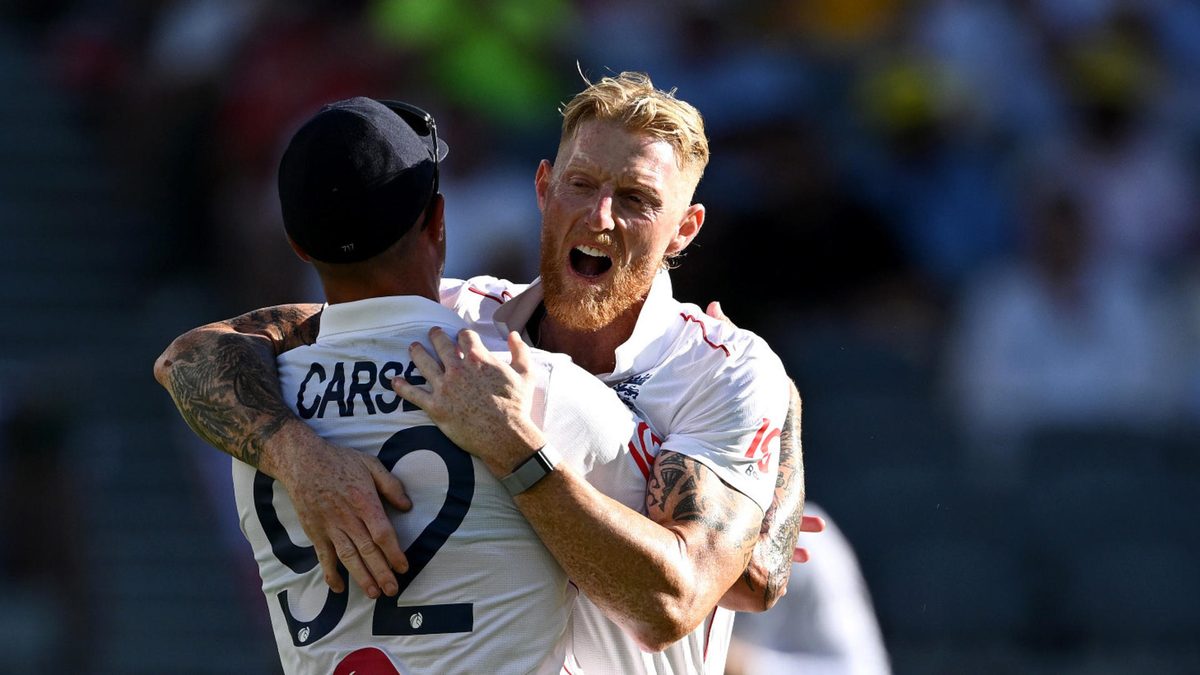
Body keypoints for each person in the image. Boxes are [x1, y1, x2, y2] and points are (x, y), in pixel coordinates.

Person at [156, 72, 811, 674]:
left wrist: (781, 415)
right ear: (543, 188)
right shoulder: (461, 314)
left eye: (637, 198)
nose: (600, 215)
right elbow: (196, 354)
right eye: (581, 183)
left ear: (684, 230)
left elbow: (711, 587)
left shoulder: (722, 369)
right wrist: (298, 455)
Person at [202, 96, 652, 673]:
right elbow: (673, 591)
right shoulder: (532, 384)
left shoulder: (253, 417)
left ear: (298, 245)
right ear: (439, 220)